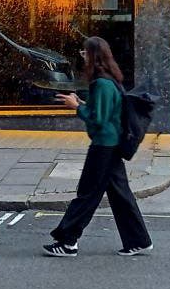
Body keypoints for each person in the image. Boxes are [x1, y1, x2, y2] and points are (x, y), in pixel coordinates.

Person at [43, 36, 152, 258]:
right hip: (111, 144)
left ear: (94, 56)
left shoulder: (101, 83)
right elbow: (106, 112)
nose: (82, 57)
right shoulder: (111, 80)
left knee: (87, 194)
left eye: (85, 53)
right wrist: (82, 103)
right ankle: (138, 240)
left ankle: (68, 241)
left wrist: (77, 107)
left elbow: (99, 119)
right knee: (121, 195)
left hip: (103, 146)